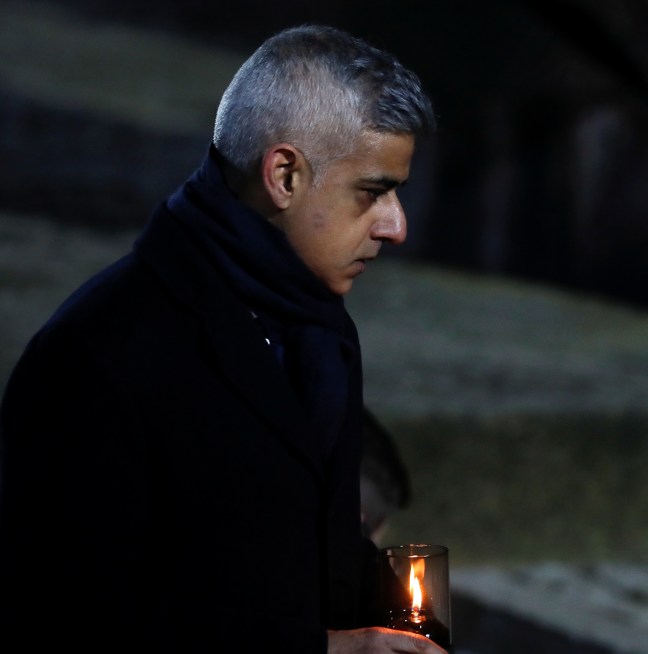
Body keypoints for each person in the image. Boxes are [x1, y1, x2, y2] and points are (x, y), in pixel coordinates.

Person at [0, 25, 443, 653]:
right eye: (372, 192)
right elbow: (67, 614)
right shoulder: (98, 353)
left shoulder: (320, 329)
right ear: (284, 175)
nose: (395, 226)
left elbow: (310, 545)